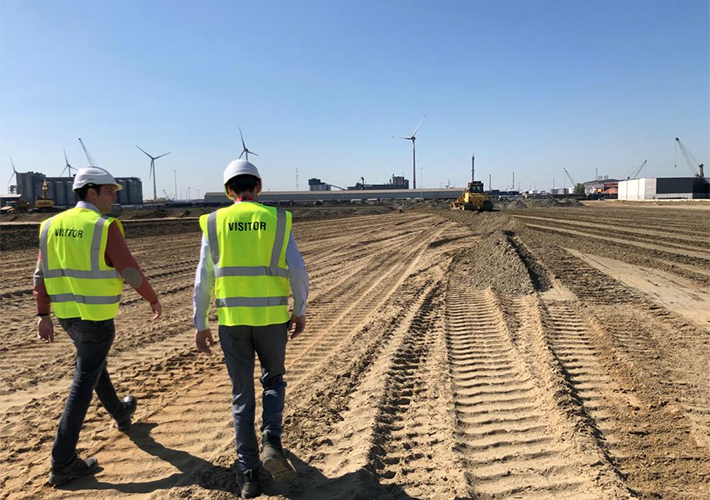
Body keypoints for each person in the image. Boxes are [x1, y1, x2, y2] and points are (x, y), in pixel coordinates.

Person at [34, 166, 162, 486]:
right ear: (90, 191)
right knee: (83, 382)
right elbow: (129, 269)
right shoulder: (104, 226)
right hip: (96, 319)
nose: (114, 196)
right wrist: (151, 298)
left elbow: (40, 276)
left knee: (93, 366)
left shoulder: (49, 225)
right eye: (109, 191)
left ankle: (121, 413)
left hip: (67, 316)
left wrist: (43, 314)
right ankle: (63, 462)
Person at [193, 159, 308, 499]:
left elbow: (204, 279)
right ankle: (271, 440)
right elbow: (298, 271)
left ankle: (248, 476)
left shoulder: (214, 223)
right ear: (258, 187)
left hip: (232, 322)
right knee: (273, 379)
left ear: (230, 191)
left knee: (242, 395)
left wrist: (200, 323)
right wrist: (299, 310)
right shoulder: (277, 219)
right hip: (272, 319)